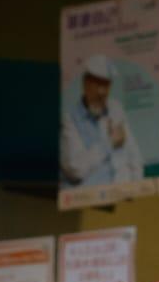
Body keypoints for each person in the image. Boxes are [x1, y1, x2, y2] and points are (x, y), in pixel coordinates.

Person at [59, 54, 145, 195]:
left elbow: (133, 153)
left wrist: (136, 187)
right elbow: (75, 169)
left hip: (121, 194)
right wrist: (109, 143)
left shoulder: (115, 109)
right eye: (97, 84)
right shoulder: (69, 121)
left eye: (106, 85)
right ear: (85, 84)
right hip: (90, 200)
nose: (102, 92)